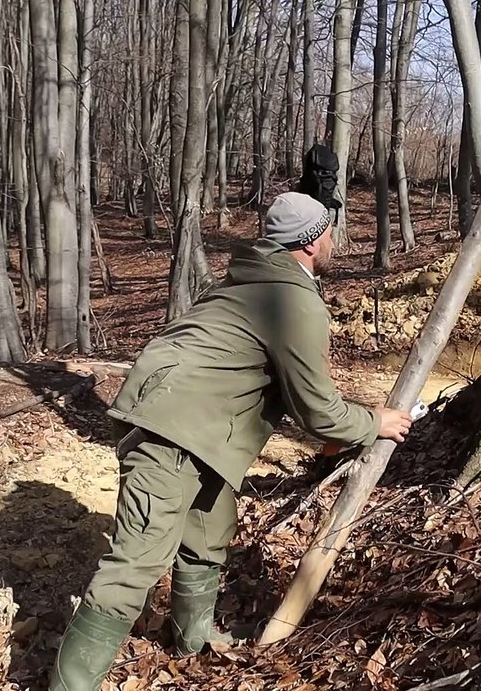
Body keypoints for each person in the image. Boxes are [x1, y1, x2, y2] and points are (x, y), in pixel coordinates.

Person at [50, 192, 413, 690]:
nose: (335, 241)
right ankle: (72, 684)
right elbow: (317, 409)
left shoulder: (245, 282)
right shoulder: (291, 299)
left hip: (195, 428)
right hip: (172, 430)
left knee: (206, 534)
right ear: (311, 242)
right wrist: (374, 422)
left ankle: (191, 642)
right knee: (136, 563)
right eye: (330, 232)